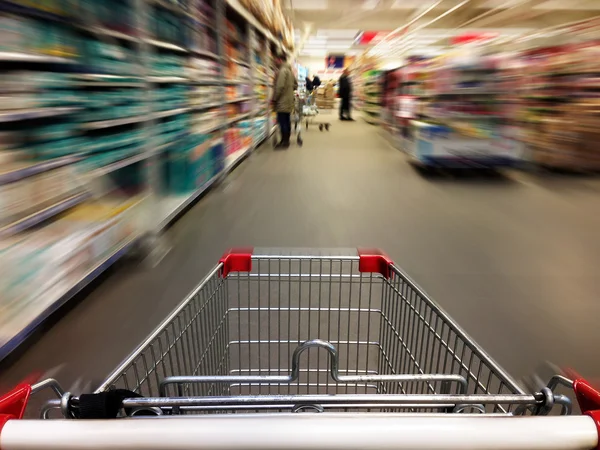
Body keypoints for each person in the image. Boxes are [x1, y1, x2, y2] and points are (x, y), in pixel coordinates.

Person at [272, 54, 296, 149]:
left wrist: (274, 99)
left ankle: (284, 142)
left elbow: (279, 87)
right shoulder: (290, 71)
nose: (274, 62)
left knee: (282, 122)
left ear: (280, 60)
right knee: (287, 120)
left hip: (282, 101)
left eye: (275, 60)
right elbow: (295, 85)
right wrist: (289, 90)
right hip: (289, 100)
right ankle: (286, 140)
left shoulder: (282, 71)